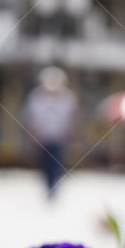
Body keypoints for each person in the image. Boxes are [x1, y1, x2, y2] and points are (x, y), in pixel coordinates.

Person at [22, 66, 77, 199]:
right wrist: (34, 133)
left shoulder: (68, 98)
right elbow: (30, 117)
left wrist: (70, 133)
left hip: (59, 137)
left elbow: (72, 117)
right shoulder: (35, 97)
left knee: (57, 163)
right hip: (42, 138)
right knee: (44, 164)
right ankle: (48, 187)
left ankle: (54, 188)